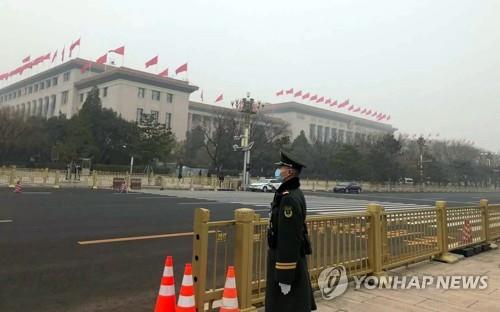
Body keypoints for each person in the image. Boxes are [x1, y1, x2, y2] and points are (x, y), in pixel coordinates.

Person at [265, 151, 316, 312]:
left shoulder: (288, 198)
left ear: (290, 171)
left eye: (282, 167)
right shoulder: (293, 193)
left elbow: (288, 239)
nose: (279, 170)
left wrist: (285, 276)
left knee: (286, 305)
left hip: (286, 263)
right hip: (292, 261)